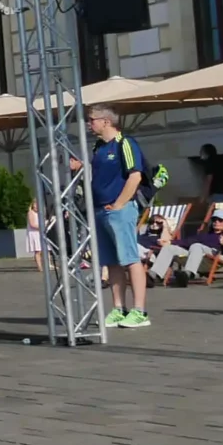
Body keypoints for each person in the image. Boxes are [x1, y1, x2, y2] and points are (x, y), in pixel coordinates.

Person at [81, 106, 151, 328]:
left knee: (130, 258)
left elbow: (135, 175)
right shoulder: (98, 147)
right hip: (101, 209)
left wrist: (119, 204)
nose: (89, 124)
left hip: (119, 210)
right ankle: (119, 308)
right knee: (111, 261)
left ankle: (140, 311)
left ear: (106, 121)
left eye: (91, 120)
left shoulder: (125, 143)